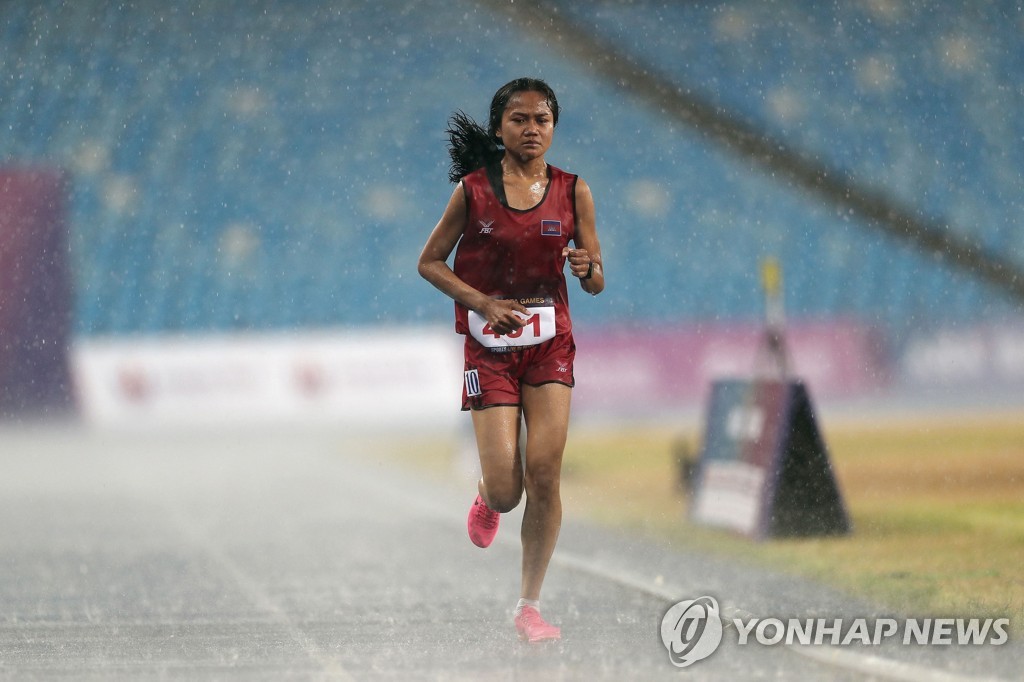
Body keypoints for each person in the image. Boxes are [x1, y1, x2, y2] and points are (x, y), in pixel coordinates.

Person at [417, 77, 605, 643]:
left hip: (551, 344)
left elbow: (596, 280)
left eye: (542, 120)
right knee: (509, 490)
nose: (531, 129)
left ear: (554, 127)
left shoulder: (574, 191)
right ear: (499, 126)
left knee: (545, 473)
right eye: (519, 120)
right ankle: (487, 496)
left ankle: (529, 605)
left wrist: (586, 270)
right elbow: (429, 262)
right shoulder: (473, 191)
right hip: (490, 348)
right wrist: (482, 303)